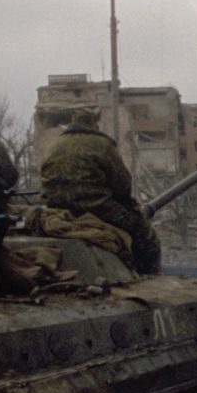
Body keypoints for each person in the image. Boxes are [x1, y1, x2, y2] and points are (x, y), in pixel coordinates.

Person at [39, 106, 162, 274]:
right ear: (94, 125)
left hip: (57, 210)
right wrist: (130, 209)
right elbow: (122, 184)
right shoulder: (102, 144)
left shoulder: (54, 146)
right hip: (99, 209)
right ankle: (150, 278)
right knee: (144, 233)